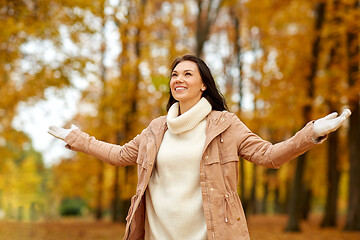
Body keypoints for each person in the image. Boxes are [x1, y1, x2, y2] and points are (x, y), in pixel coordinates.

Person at [48, 55, 351, 240]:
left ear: (203, 84)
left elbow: (268, 156)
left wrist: (311, 132)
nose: (178, 79)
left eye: (187, 74)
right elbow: (119, 155)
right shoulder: (156, 129)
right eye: (174, 74)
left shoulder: (225, 125)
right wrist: (79, 139)